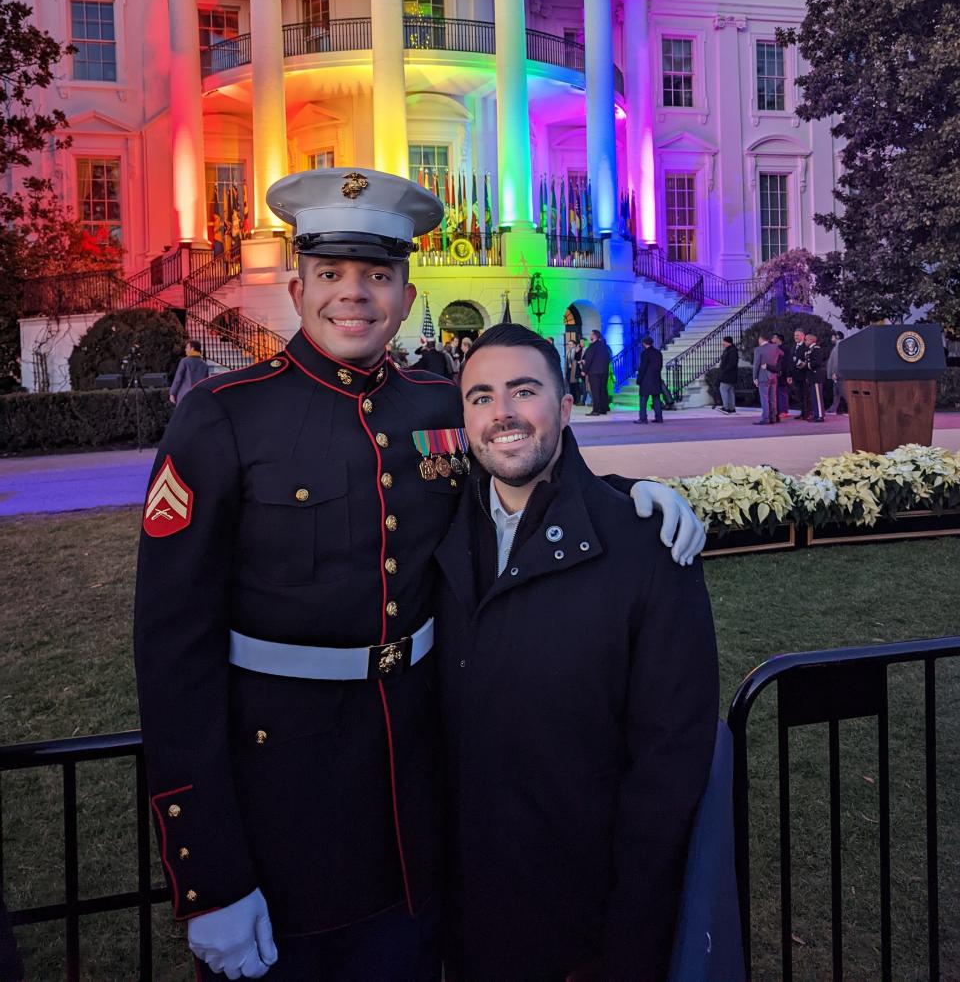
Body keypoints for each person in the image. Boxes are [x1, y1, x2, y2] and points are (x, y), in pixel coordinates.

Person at [134, 166, 707, 981]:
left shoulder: (440, 404)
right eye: (331, 273)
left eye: (377, 274)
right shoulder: (223, 415)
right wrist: (210, 876)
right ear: (298, 288)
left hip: (421, 797)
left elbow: (519, 460)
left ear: (406, 295)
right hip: (285, 803)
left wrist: (627, 496)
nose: (354, 295)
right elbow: (172, 658)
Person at [435, 324, 719, 981]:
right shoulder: (441, 535)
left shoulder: (649, 552)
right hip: (464, 923)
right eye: (480, 396)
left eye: (523, 390)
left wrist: (627, 945)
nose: (501, 412)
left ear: (565, 407)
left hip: (585, 932)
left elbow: (668, 772)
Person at [752, 330, 782, 425]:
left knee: (764, 398)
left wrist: (754, 377)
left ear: (761, 339)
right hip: (773, 375)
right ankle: (773, 417)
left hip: (763, 376)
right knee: (773, 398)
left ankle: (765, 418)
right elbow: (782, 355)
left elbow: (756, 364)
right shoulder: (776, 347)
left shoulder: (758, 349)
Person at [168, 340, 209, 405]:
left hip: (185, 395)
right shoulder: (204, 365)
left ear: (192, 349)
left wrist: (172, 393)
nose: (185, 350)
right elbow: (206, 382)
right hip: (199, 396)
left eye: (187, 347)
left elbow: (178, 379)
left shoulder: (185, 361)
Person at [582, 327, 612, 415]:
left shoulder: (592, 347)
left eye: (591, 334)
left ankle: (596, 410)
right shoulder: (604, 346)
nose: (590, 336)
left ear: (594, 336)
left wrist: (584, 370)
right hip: (604, 371)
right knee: (603, 390)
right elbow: (608, 358)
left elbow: (589, 359)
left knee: (595, 391)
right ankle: (603, 409)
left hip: (594, 372)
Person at [636, 334, 665, 424]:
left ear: (644, 343)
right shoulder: (658, 353)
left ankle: (643, 418)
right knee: (656, 399)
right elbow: (660, 366)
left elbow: (643, 368)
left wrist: (639, 379)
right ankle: (659, 417)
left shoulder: (644, 354)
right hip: (656, 378)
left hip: (646, 380)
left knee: (643, 400)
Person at [802, 331, 826, 422]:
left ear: (811, 340)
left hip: (816, 376)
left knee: (817, 397)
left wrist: (806, 365)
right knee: (814, 397)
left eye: (806, 340)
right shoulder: (810, 350)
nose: (805, 342)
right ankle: (816, 414)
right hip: (812, 376)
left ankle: (820, 415)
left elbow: (817, 363)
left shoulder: (816, 349)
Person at [787, 328, 809, 419]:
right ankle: (802, 412)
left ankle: (807, 413)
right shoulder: (793, 346)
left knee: (805, 395)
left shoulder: (806, 347)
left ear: (803, 336)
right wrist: (789, 375)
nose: (795, 337)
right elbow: (790, 361)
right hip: (795, 376)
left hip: (804, 375)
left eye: (797, 335)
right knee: (799, 395)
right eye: (795, 335)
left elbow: (808, 360)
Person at [717, 335, 739, 414]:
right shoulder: (730, 350)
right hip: (729, 374)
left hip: (728, 374)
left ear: (727, 342)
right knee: (730, 391)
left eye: (723, 341)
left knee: (724, 389)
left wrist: (724, 371)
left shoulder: (732, 351)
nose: (722, 343)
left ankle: (726, 407)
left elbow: (731, 363)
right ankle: (731, 408)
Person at [826, 331, 846, 413]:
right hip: (838, 375)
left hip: (838, 375)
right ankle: (833, 408)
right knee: (837, 393)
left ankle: (852, 409)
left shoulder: (839, 346)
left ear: (837, 337)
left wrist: (834, 373)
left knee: (843, 393)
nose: (831, 339)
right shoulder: (839, 346)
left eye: (832, 337)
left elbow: (836, 361)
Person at [771, 332, 789, 418]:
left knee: (782, 391)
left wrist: (781, 370)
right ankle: (779, 410)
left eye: (774, 337)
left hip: (782, 373)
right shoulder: (775, 348)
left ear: (779, 339)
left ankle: (784, 411)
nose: (772, 339)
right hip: (776, 373)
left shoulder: (784, 349)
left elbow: (785, 361)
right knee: (777, 392)